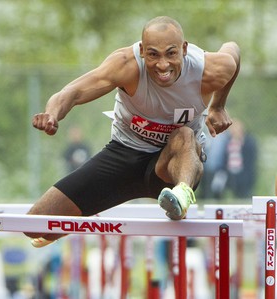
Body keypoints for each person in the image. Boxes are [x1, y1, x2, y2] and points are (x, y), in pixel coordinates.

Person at [24, 16, 240, 247]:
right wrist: (52, 114)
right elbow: (74, 91)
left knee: (185, 134)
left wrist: (218, 105)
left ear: (184, 49)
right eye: (153, 54)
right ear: (142, 50)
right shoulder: (126, 64)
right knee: (34, 226)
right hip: (123, 155)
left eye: (171, 53)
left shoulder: (207, 69)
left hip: (172, 165)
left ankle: (182, 196)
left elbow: (233, 51)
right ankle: (82, 213)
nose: (163, 65)